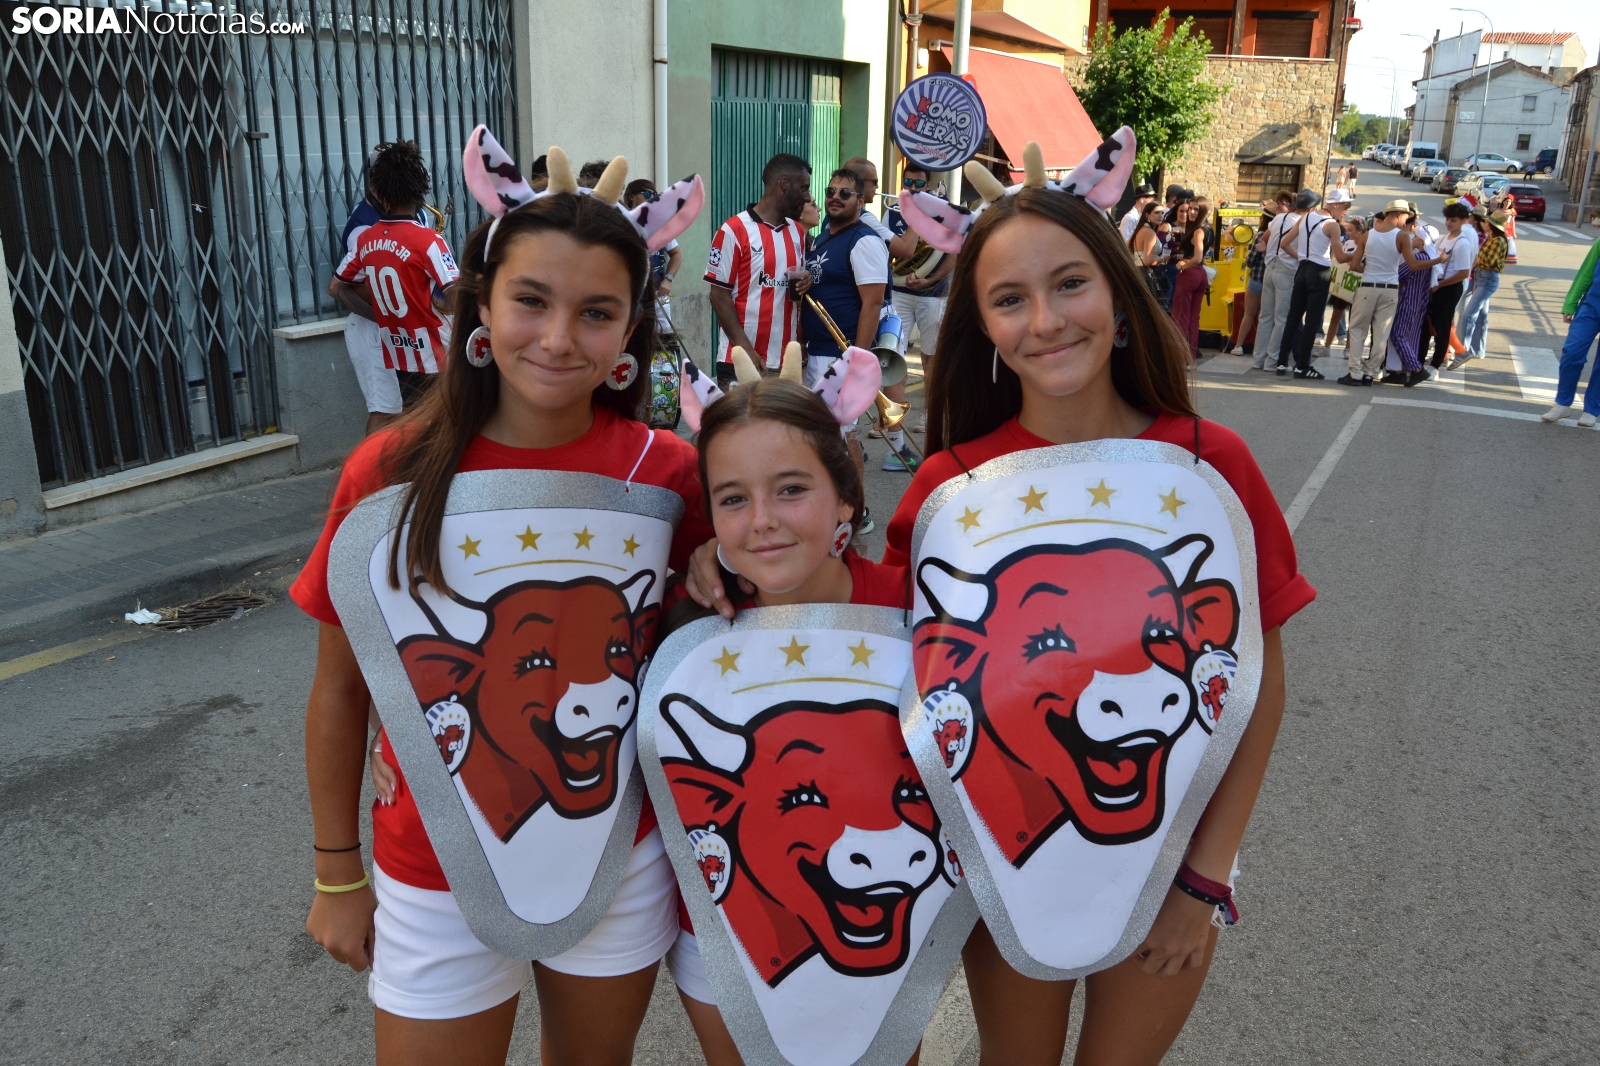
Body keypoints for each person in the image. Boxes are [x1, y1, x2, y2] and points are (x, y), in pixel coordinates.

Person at [866, 165, 1311, 1066]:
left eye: (1070, 283)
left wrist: (1204, 878)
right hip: (1013, 863)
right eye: (1009, 299)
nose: (1046, 320)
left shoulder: (1211, 463)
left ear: (1118, 292)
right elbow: (876, 654)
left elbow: (1257, 687)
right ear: (982, 327)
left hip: (1175, 865)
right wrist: (724, 568)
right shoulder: (949, 486)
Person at [295, 162, 715, 1065]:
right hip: (432, 865)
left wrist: (727, 571)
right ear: (481, 304)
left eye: (596, 312)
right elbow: (341, 689)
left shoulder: (670, 473)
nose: (559, 339)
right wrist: (336, 872)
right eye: (531, 301)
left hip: (618, 856)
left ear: (631, 329)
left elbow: (711, 652)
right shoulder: (390, 470)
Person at [656, 369, 918, 1066]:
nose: (763, 520)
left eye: (792, 489)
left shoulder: (917, 613)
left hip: (897, 919)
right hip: (729, 937)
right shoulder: (684, 632)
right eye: (733, 499)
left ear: (847, 496)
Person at [328, 140, 459, 415]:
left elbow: (336, 288)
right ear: (419, 189)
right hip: (436, 352)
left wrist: (384, 319)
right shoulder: (428, 240)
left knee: (411, 422)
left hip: (399, 351)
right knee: (444, 424)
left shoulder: (366, 239)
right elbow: (454, 295)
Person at [801, 167, 890, 529]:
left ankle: (858, 510)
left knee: (844, 433)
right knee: (827, 435)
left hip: (842, 354)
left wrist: (858, 359)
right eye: (831, 191)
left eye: (845, 193)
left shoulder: (864, 240)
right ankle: (836, 505)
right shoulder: (825, 236)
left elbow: (873, 303)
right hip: (819, 350)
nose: (835, 197)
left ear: (861, 200)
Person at [705, 154, 812, 388]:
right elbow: (718, 295)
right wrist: (745, 349)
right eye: (804, 188)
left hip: (785, 364)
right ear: (784, 184)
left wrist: (807, 280)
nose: (808, 197)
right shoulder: (733, 230)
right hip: (740, 359)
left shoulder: (797, 231)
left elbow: (796, 295)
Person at [846, 155, 919, 471]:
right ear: (861, 184)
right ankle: (898, 451)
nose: (878, 187)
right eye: (874, 181)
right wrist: (917, 217)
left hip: (856, 308)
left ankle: (852, 443)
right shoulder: (866, 219)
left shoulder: (840, 222)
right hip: (877, 309)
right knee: (894, 377)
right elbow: (906, 249)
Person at [1275, 187, 1354, 378]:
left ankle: (1282, 363)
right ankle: (1302, 366)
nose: (1345, 212)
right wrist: (1359, 254)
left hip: (1302, 269)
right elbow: (1341, 257)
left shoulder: (1306, 217)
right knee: (1312, 321)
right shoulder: (1331, 225)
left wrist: (1301, 256)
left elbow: (1284, 243)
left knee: (1293, 318)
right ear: (1335, 205)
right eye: (1344, 207)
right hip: (1320, 272)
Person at [888, 163, 955, 381]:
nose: (913, 188)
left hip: (933, 294)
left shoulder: (943, 213)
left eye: (918, 183)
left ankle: (931, 403)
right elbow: (884, 250)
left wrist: (930, 280)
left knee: (932, 356)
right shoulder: (892, 211)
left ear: (927, 185)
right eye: (908, 182)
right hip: (899, 292)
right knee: (893, 353)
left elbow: (953, 254)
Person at [1339, 199, 1412, 386]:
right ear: (1398, 214)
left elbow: (1354, 265)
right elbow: (1413, 264)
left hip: (1368, 286)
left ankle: (1355, 372)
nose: (1406, 220)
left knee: (1357, 329)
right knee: (1381, 333)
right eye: (1406, 216)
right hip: (1390, 289)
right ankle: (1370, 373)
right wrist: (1439, 260)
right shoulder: (1402, 236)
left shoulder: (1368, 235)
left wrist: (1368, 270)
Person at [1379, 207, 1444, 387]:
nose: (1412, 238)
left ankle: (1416, 369)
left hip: (1408, 301)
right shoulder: (1428, 258)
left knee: (1398, 334)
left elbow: (1398, 274)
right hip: (1419, 303)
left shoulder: (1419, 258)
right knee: (1409, 337)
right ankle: (1399, 371)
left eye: (1416, 237)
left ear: (1422, 241)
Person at [1542, 233, 1600, 426]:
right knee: (1572, 352)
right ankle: (1563, 403)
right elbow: (1586, 272)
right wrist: (1570, 303)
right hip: (1591, 307)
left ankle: (1592, 409)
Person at [1452, 208, 1509, 369]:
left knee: (1468, 315)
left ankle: (1462, 351)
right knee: (1482, 316)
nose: (1485, 224)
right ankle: (1478, 350)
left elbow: (1487, 260)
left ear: (1491, 225)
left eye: (1487, 222)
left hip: (1487, 278)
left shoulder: (1498, 240)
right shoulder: (1492, 238)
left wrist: (1476, 255)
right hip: (1482, 277)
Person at [625, 178, 683, 332]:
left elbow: (676, 254)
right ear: (632, 196)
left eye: (656, 195)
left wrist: (668, 279)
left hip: (657, 295)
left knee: (665, 340)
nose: (653, 199)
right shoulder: (622, 223)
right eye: (647, 194)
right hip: (630, 295)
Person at [1424, 202, 1476, 370]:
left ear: (1463, 221)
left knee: (1443, 326)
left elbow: (1463, 273)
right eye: (1447, 219)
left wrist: (1440, 285)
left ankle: (1437, 362)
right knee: (1434, 323)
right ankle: (1438, 356)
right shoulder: (1443, 239)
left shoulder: (1462, 243)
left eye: (1453, 220)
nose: (1448, 223)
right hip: (1438, 284)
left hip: (1450, 287)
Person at [1253, 190, 1300, 371]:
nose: (1279, 205)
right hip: (1286, 269)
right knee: (1280, 318)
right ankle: (1271, 360)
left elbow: (1263, 240)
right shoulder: (1299, 221)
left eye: (1284, 202)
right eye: (1279, 202)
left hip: (1270, 267)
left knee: (1266, 316)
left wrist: (1268, 249)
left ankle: (1258, 359)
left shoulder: (1277, 219)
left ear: (1292, 206)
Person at [1222, 214, 1268, 356]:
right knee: (1265, 317)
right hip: (1270, 282)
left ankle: (1239, 346)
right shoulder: (1280, 234)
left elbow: (1251, 260)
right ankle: (1262, 349)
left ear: (1263, 219)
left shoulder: (1261, 235)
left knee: (1248, 314)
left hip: (1256, 280)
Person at [1168, 201, 1208, 360]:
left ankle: (1179, 356)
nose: (1191, 212)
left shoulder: (1198, 231)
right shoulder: (1204, 229)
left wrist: (1183, 265)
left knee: (1180, 316)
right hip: (1199, 274)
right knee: (1192, 317)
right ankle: (1189, 356)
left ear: (1202, 211)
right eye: (1190, 208)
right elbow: (1201, 259)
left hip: (1189, 273)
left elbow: (1197, 258)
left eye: (1195, 209)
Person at [1319, 216, 1363, 356]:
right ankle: (1327, 347)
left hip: (1356, 284)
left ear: (1359, 230)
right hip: (1343, 283)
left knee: (1353, 319)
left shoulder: (1365, 245)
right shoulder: (1348, 243)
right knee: (1336, 315)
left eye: (1351, 230)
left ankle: (1348, 349)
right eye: (1347, 230)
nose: (1348, 232)